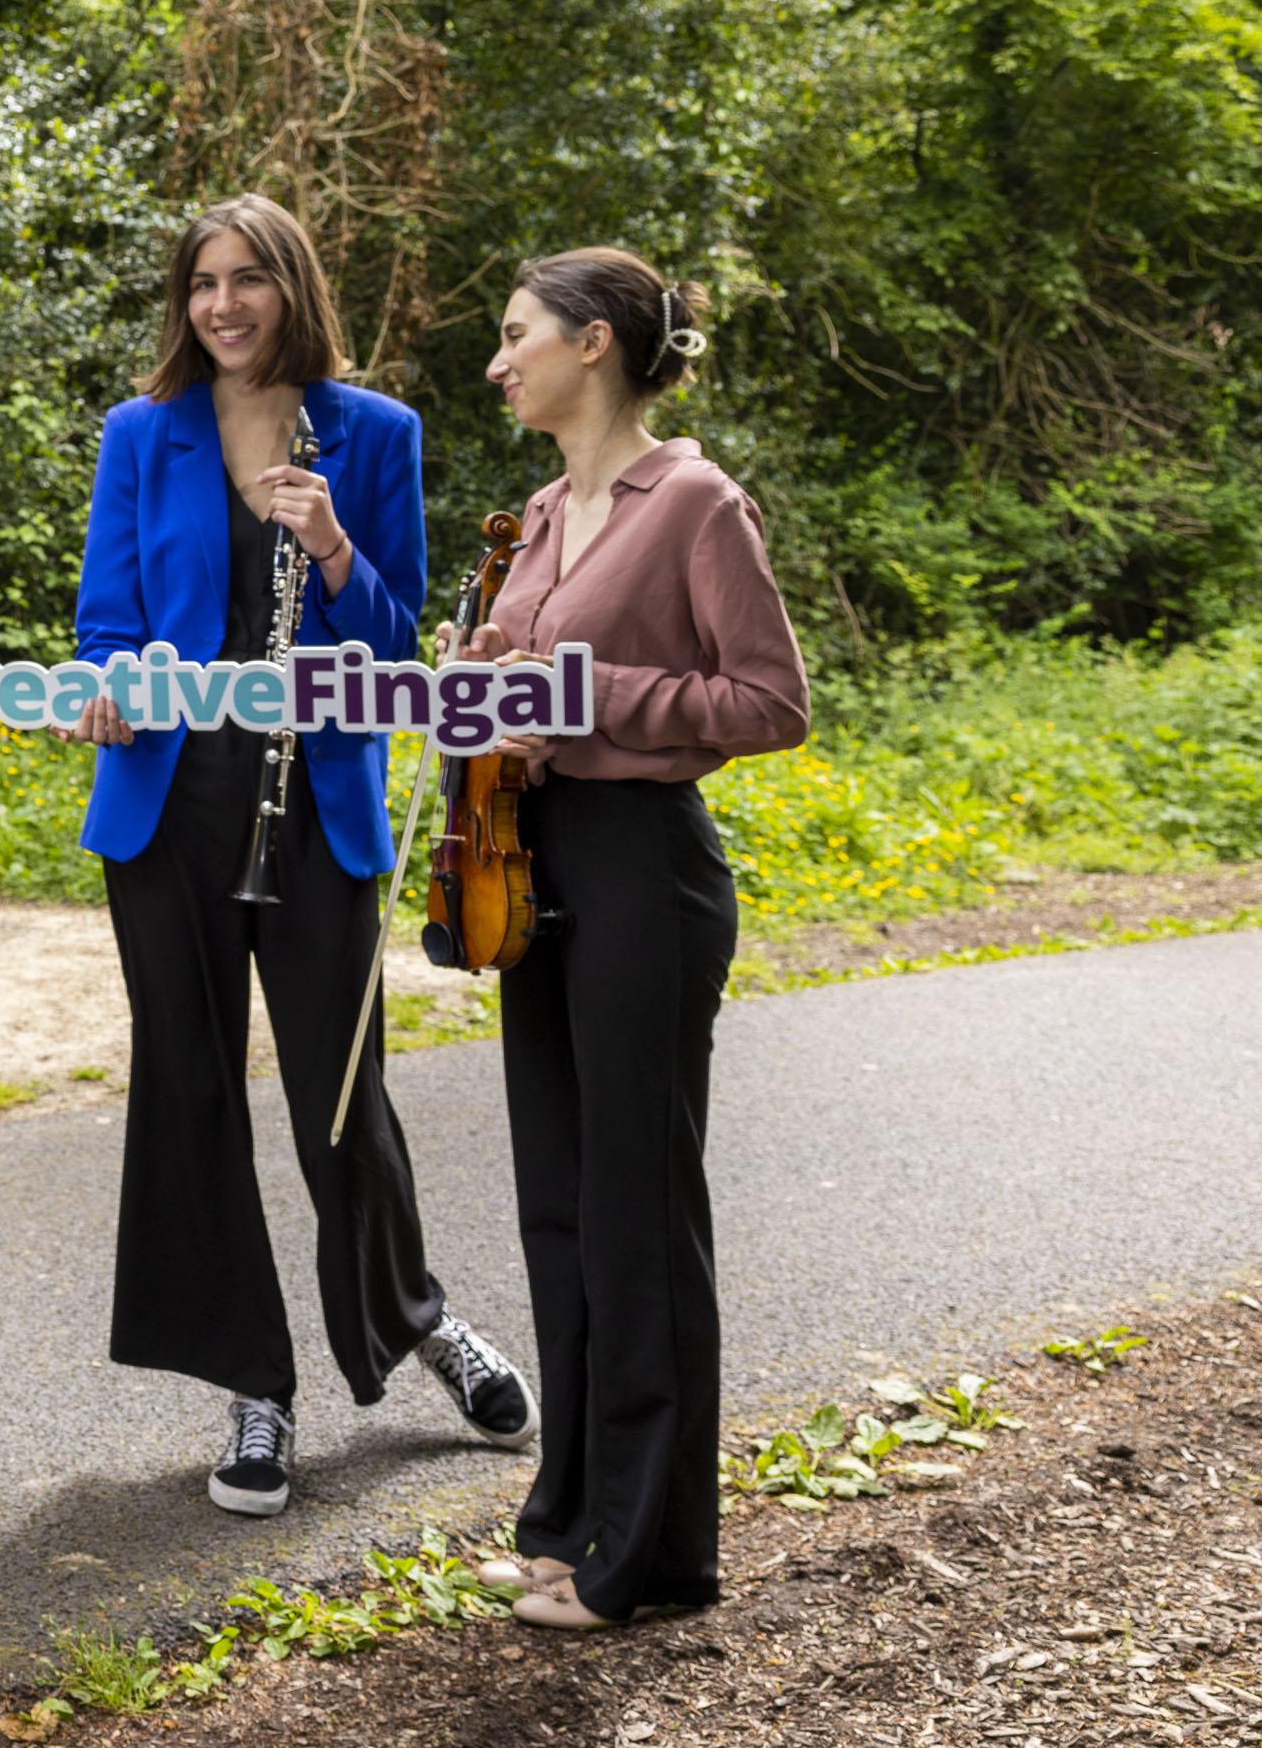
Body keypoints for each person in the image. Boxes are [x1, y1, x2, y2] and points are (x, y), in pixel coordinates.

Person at [68, 193, 536, 1519]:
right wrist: (110, 680)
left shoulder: (373, 432)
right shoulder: (140, 435)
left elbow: (395, 649)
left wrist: (330, 545)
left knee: (342, 1091)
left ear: (291, 287)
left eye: (246, 279)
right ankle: (253, 1387)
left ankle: (418, 1318)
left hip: (313, 801)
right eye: (200, 281)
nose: (221, 304)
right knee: (191, 1086)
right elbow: (106, 616)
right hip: (166, 802)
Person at [456, 248, 806, 1630]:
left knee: (637, 1213)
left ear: (591, 344)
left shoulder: (695, 501)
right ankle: (567, 1525)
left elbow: (767, 700)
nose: (498, 359)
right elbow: (523, 689)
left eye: (515, 334)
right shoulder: (539, 512)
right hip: (529, 868)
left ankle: (652, 1558)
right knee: (557, 1202)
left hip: (643, 869)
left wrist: (589, 694)